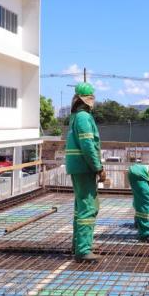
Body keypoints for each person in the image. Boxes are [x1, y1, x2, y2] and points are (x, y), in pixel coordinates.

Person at [65, 83, 105, 262]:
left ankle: (80, 243)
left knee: (81, 206)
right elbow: (88, 146)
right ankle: (83, 250)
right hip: (84, 167)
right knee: (88, 207)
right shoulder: (83, 117)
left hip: (79, 166)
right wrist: (98, 167)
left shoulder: (76, 117)